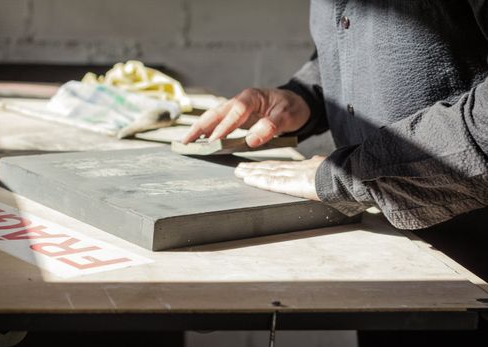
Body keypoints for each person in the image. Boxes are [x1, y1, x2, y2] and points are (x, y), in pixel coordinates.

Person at [183, 0, 488, 233]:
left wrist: (355, 174)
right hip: (374, 225)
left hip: (468, 253)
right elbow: (367, 38)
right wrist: (306, 96)